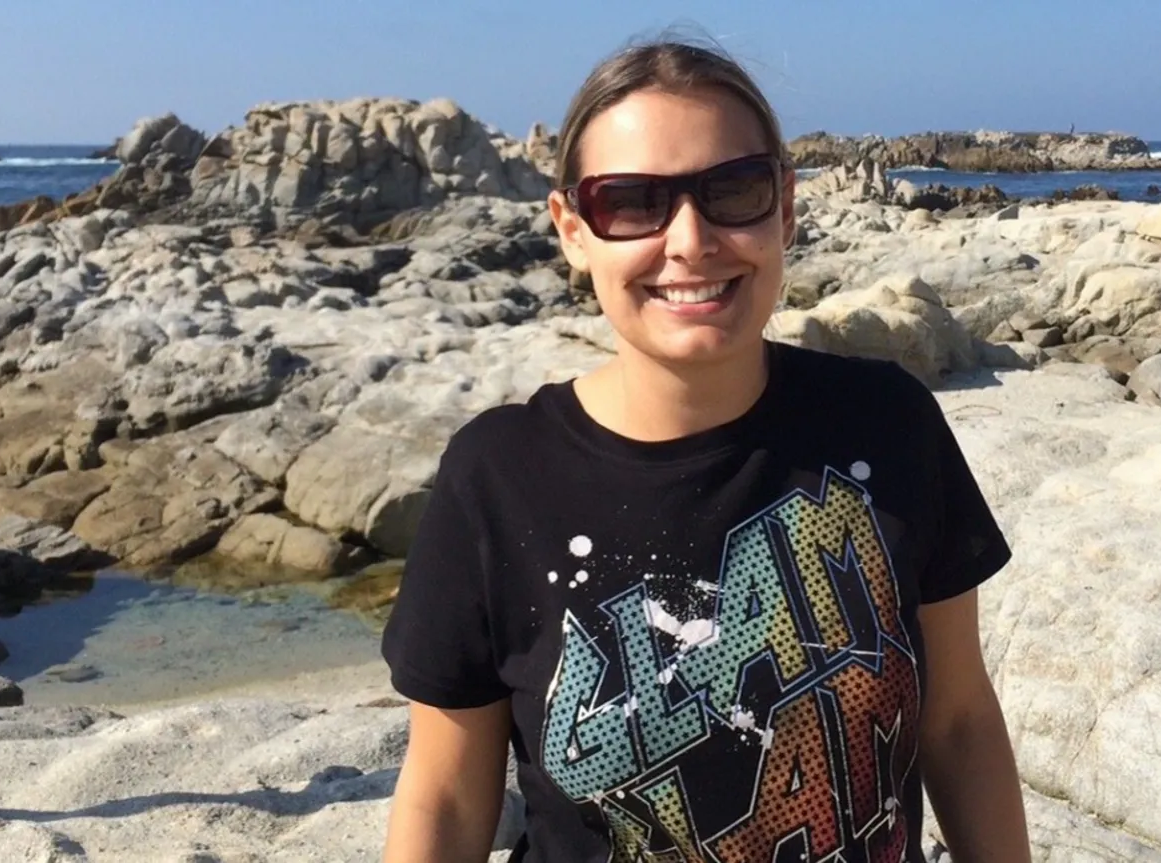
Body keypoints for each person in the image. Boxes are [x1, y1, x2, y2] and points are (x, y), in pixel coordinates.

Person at [380, 36, 1031, 863]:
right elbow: (443, 792)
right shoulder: (497, 478)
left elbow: (960, 719)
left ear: (785, 208)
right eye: (632, 202)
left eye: (734, 190)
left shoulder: (889, 425)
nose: (690, 240)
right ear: (573, 231)